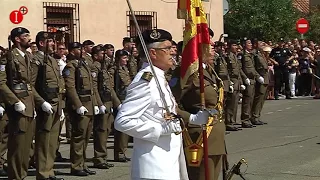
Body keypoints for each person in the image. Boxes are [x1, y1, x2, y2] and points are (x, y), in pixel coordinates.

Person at [115, 29, 209, 180]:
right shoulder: (145, 82)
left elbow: (167, 113)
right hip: (153, 166)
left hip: (168, 163)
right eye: (167, 49)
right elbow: (122, 122)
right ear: (153, 53)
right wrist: (160, 129)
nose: (173, 52)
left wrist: (192, 119)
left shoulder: (159, 78)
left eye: (172, 48)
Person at [0, 27, 36, 179]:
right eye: (25, 35)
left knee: (26, 146)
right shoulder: (8, 57)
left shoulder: (27, 56)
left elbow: (30, 83)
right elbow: (1, 82)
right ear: (17, 39)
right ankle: (15, 176)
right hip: (18, 105)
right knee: (17, 145)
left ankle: (21, 174)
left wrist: (34, 104)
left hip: (29, 103)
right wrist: (14, 101)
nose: (29, 38)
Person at [31, 31, 65, 180]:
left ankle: (49, 170)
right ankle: (42, 173)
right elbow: (30, 85)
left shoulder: (51, 60)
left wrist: (61, 105)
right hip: (46, 105)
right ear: (41, 43)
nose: (53, 44)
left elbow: (59, 83)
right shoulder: (36, 60)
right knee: (43, 141)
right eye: (50, 41)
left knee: (52, 141)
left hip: (56, 105)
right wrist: (41, 102)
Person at [63, 42, 99, 176]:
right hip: (80, 105)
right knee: (78, 137)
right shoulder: (71, 66)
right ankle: (76, 166)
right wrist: (78, 105)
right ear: (72, 52)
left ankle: (82, 164)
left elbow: (92, 87)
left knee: (85, 137)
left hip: (89, 104)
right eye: (78, 49)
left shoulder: (83, 64)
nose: (82, 51)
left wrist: (95, 104)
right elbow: (70, 87)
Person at [91, 46, 120, 169]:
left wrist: (116, 103)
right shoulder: (95, 67)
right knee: (101, 131)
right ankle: (99, 158)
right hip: (101, 101)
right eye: (102, 54)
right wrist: (99, 104)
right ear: (96, 55)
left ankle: (103, 157)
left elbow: (109, 87)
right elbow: (94, 88)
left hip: (108, 101)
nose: (105, 56)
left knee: (107, 130)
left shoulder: (104, 67)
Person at [113, 49, 131, 162]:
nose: (126, 60)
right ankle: (119, 153)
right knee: (120, 129)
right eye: (124, 58)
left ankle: (123, 151)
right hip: (120, 100)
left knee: (125, 129)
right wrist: (117, 103)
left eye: (126, 58)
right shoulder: (115, 70)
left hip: (126, 99)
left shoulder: (125, 69)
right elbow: (113, 87)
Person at [225, 40, 245, 131]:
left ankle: (233, 121)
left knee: (235, 103)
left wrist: (241, 82)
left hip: (237, 81)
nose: (236, 47)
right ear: (229, 46)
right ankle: (229, 122)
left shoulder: (235, 56)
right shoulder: (228, 57)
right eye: (234, 45)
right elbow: (227, 71)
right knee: (230, 103)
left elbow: (238, 70)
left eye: (236, 45)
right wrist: (229, 83)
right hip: (232, 81)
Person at [251, 40, 269, 125]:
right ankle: (254, 116)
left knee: (262, 99)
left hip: (265, 77)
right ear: (255, 45)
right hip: (260, 76)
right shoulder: (254, 54)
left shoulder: (261, 53)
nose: (263, 45)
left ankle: (257, 116)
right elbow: (253, 66)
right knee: (258, 98)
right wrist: (258, 76)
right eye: (261, 43)